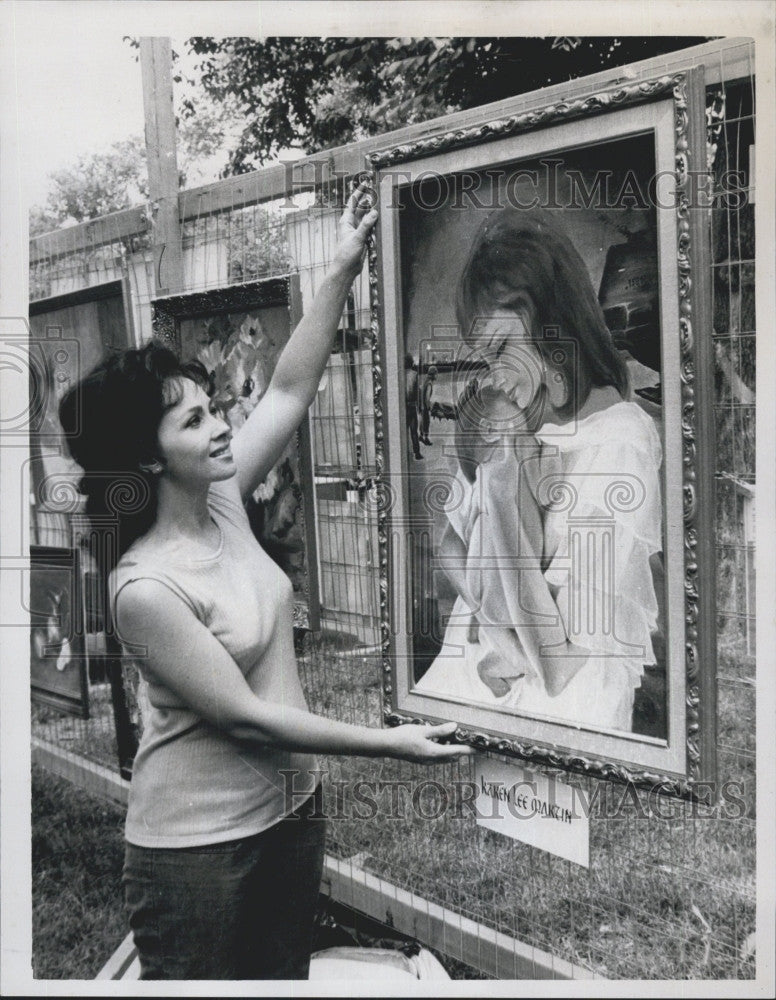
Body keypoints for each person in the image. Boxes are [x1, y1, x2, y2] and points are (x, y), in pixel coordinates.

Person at [59, 183, 470, 981]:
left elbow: (286, 389)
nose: (221, 426)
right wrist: (390, 746)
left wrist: (344, 269)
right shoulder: (145, 588)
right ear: (146, 460)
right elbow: (248, 721)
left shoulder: (221, 496)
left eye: (213, 409)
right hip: (197, 853)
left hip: (289, 816)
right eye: (193, 421)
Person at [414, 208, 663, 734]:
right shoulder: (509, 426)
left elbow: (576, 637)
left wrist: (503, 509)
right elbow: (453, 543)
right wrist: (489, 600)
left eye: (502, 348)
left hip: (569, 702)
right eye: (485, 360)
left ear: (554, 323)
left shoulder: (621, 441)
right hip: (494, 689)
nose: (497, 377)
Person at [404, 352, 423, 459]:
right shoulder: (414, 374)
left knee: (402, 431)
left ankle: (403, 453)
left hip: (401, 407)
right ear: (411, 363)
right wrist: (419, 406)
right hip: (411, 406)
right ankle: (417, 453)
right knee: (413, 431)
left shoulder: (399, 375)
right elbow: (417, 392)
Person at [419, 365, 437, 445]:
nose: (437, 375)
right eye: (436, 374)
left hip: (421, 404)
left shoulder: (425, 380)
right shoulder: (429, 383)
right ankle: (426, 438)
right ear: (433, 374)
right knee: (426, 421)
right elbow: (427, 397)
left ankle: (421, 435)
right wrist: (429, 407)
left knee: (422, 420)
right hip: (425, 406)